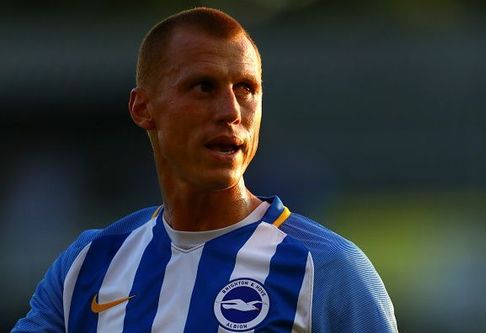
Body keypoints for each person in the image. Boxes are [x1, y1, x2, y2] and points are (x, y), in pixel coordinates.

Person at [13, 7, 397, 333]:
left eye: (246, 88)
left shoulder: (328, 269)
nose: (231, 112)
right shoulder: (88, 265)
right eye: (203, 87)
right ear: (143, 108)